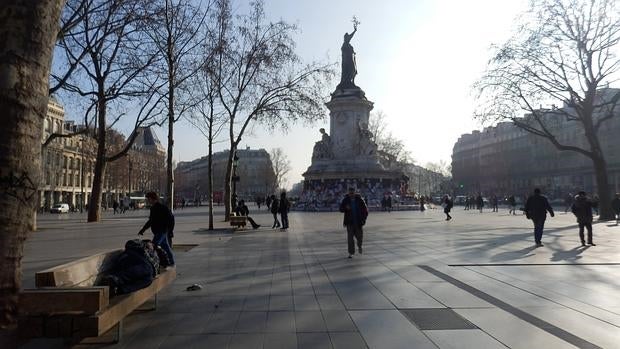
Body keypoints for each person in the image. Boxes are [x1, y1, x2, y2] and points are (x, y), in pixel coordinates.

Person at [138, 192, 175, 266]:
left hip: (162, 231)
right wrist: (143, 229)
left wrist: (170, 230)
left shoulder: (162, 207)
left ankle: (155, 263)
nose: (147, 200)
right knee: (166, 247)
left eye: (148, 199)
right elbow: (151, 221)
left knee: (154, 246)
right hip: (159, 231)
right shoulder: (153, 208)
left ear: (152, 198)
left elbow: (171, 219)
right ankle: (171, 262)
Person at [339, 187, 368, 258]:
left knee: (359, 237)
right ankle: (351, 252)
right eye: (350, 192)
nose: (351, 194)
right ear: (348, 192)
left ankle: (359, 246)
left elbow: (365, 211)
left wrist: (363, 220)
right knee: (350, 239)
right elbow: (340, 209)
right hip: (349, 223)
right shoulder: (345, 200)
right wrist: (346, 208)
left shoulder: (360, 200)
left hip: (358, 222)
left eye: (352, 192)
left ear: (355, 192)